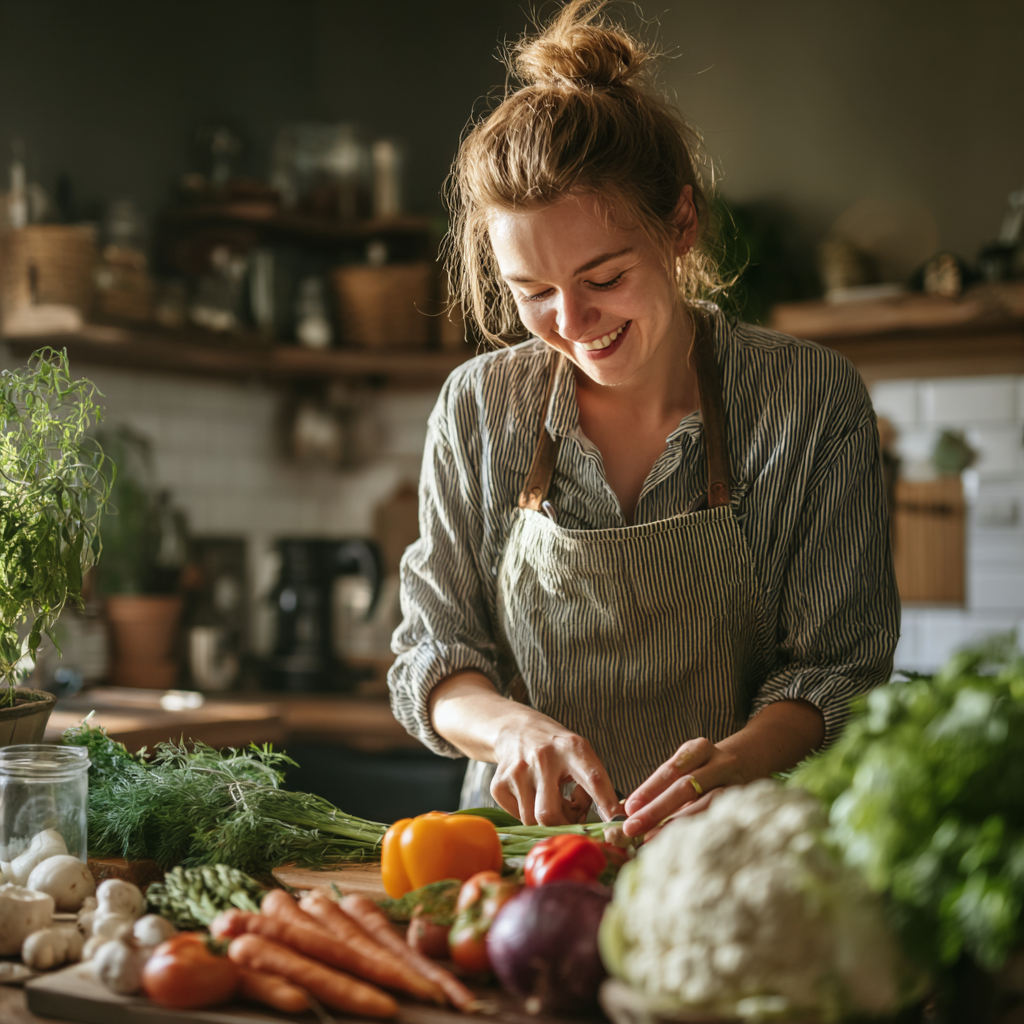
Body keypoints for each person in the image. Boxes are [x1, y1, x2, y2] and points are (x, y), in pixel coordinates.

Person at [388, 0, 899, 838]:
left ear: (681, 225)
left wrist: (727, 767)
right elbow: (434, 656)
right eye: (534, 294)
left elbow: (835, 673)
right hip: (525, 864)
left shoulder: (808, 401)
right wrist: (510, 726)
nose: (573, 320)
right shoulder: (478, 407)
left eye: (604, 277)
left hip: (733, 855)